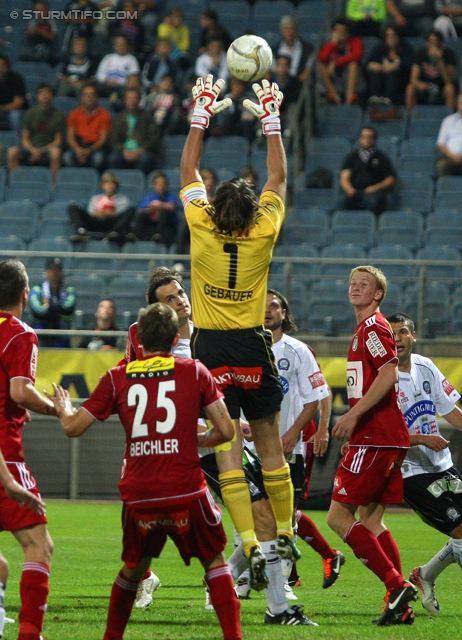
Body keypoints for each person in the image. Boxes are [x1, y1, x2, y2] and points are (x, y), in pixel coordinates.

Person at [125, 268, 316, 626]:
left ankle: (257, 597)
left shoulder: (207, 334)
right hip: (197, 447)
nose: (181, 300)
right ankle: (253, 596)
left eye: (181, 292)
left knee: (267, 517)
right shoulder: (159, 350)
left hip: (220, 442)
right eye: (170, 298)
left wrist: (233, 418)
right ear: (157, 309)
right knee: (164, 527)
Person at [46, 302, 242, 640]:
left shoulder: (116, 377)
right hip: (184, 487)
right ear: (175, 336)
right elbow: (226, 431)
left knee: (134, 568)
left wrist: (64, 407)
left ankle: (111, 636)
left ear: (138, 338)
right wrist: (193, 440)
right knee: (214, 561)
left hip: (140, 493)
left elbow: (73, 428)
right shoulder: (194, 370)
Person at [180, 75, 300, 587]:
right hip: (253, 343)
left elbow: (187, 169)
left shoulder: (201, 224)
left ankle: (248, 540)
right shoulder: (265, 228)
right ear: (252, 212)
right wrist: (271, 120)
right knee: (270, 444)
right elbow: (278, 176)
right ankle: (289, 529)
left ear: (214, 207)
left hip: (210, 345)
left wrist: (200, 115)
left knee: (227, 445)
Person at [326, 265, 417, 627]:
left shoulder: (374, 327)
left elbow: (388, 372)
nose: (355, 287)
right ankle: (399, 601)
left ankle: (396, 586)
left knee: (337, 517)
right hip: (386, 437)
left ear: (378, 294)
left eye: (364, 284)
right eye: (352, 282)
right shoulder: (362, 329)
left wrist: (352, 416)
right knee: (372, 518)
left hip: (376, 435)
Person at [264, 290, 344, 595]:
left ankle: (289, 574)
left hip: (293, 441)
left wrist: (322, 429)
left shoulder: (298, 350)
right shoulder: (249, 348)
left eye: (275, 306)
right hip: (256, 443)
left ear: (285, 313)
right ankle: (305, 566)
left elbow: (320, 392)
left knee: (287, 510)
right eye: (264, 305)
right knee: (272, 510)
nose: (268, 310)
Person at [387, 312, 462, 615]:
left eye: (403, 332)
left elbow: (450, 411)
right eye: (391, 334)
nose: (397, 339)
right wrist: (421, 439)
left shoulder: (426, 366)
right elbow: (386, 435)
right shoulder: (384, 379)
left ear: (413, 336)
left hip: (441, 464)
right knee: (459, 529)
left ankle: (424, 575)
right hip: (410, 471)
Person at [0, 259, 56, 640]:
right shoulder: (20, 333)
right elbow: (20, 390)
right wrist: (57, 407)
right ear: (25, 294)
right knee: (39, 545)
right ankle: (29, 634)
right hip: (5, 452)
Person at [7, 83, 66, 175]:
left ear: (52, 95)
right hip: (31, 147)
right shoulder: (30, 113)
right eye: (41, 93)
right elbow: (25, 138)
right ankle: (13, 181)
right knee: (12, 151)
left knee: (56, 153)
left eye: (47, 92)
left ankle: (53, 185)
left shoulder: (59, 115)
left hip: (48, 149)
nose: (45, 95)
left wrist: (41, 151)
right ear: (37, 96)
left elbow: (58, 141)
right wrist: (33, 150)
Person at [339, 126, 396, 215]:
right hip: (355, 191)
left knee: (374, 202)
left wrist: (375, 188)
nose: (367, 139)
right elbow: (344, 177)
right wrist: (349, 189)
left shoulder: (382, 157)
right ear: (359, 139)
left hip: (374, 191)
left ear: (374, 139)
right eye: (364, 137)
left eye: (370, 137)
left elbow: (390, 180)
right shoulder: (352, 157)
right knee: (342, 201)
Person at [68, 172, 136, 243]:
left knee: (132, 209)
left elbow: (121, 215)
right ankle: (81, 231)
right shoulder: (95, 198)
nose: (110, 185)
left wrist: (111, 214)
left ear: (116, 186)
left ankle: (114, 233)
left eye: (112, 183)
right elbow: (90, 212)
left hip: (112, 224)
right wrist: (98, 214)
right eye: (107, 183)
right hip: (95, 222)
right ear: (102, 185)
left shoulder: (122, 199)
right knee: (72, 207)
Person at [107, 87, 161, 174]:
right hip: (123, 150)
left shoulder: (147, 117)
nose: (132, 101)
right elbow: (113, 139)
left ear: (139, 100)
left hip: (142, 150)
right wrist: (123, 150)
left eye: (135, 98)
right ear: (125, 101)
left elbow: (154, 137)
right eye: (129, 98)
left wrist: (140, 149)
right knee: (113, 158)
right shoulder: (119, 118)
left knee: (145, 159)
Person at [62, 82, 112, 171]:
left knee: (98, 159)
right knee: (67, 157)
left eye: (92, 94)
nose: (89, 97)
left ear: (96, 97)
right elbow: (70, 136)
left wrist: (89, 150)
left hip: (95, 147)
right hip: (79, 145)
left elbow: (103, 139)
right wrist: (78, 150)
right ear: (81, 98)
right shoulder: (74, 114)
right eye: (86, 95)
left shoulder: (105, 115)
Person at [405, 29, 457, 112]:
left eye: (436, 42)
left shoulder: (449, 55)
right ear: (427, 43)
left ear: (441, 43)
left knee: (450, 89)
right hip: (425, 86)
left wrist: (440, 61)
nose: (434, 44)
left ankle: (449, 119)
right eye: (431, 42)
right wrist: (419, 84)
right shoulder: (420, 54)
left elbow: (449, 81)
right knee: (410, 89)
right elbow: (413, 78)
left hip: (441, 86)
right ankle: (410, 119)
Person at [29, 258, 76, 348]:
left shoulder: (69, 290)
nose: (55, 272)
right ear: (46, 271)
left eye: (57, 270)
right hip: (40, 334)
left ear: (62, 272)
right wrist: (56, 309)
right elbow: (36, 311)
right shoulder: (37, 289)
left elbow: (68, 309)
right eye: (52, 269)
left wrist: (49, 308)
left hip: (62, 334)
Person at [318, 18, 363, 105]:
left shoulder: (355, 41)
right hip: (333, 77)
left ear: (348, 33)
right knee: (321, 65)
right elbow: (322, 58)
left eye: (343, 31)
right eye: (337, 31)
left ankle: (349, 99)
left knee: (353, 64)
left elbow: (357, 55)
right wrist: (333, 44)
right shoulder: (328, 44)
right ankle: (335, 97)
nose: (340, 34)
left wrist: (336, 62)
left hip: (350, 76)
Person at [366, 26, 413, 106]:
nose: (391, 38)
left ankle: (388, 99)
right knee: (374, 72)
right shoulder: (380, 48)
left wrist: (396, 66)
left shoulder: (405, 48)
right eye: (388, 36)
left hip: (399, 84)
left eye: (393, 35)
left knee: (393, 73)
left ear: (398, 37)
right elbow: (369, 63)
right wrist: (377, 66)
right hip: (381, 81)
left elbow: (409, 64)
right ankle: (375, 98)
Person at [133, 172, 179, 247]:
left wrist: (159, 206)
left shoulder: (171, 195)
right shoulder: (150, 196)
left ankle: (158, 235)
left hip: (167, 221)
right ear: (154, 186)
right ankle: (136, 236)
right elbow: (141, 209)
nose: (161, 186)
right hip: (151, 218)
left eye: (163, 184)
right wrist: (152, 208)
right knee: (142, 215)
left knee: (164, 213)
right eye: (158, 184)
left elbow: (172, 207)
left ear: (167, 185)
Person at [273, 16, 314, 83]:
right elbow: (273, 71)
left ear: (296, 30)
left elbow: (307, 71)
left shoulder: (307, 49)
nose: (289, 32)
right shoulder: (275, 50)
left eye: (291, 29)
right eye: (286, 29)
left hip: (299, 86)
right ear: (281, 31)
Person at [436, 90, 462, 177]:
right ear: (457, 105)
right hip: (450, 158)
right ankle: (446, 189)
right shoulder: (448, 121)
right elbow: (441, 144)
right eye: (461, 103)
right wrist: (453, 156)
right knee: (442, 165)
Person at [0, 55, 27, 134]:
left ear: (7, 67)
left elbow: (18, 103)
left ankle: (18, 143)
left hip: (13, 111)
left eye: (2, 66)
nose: (0, 69)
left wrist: (2, 108)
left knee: (15, 115)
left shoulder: (16, 79)